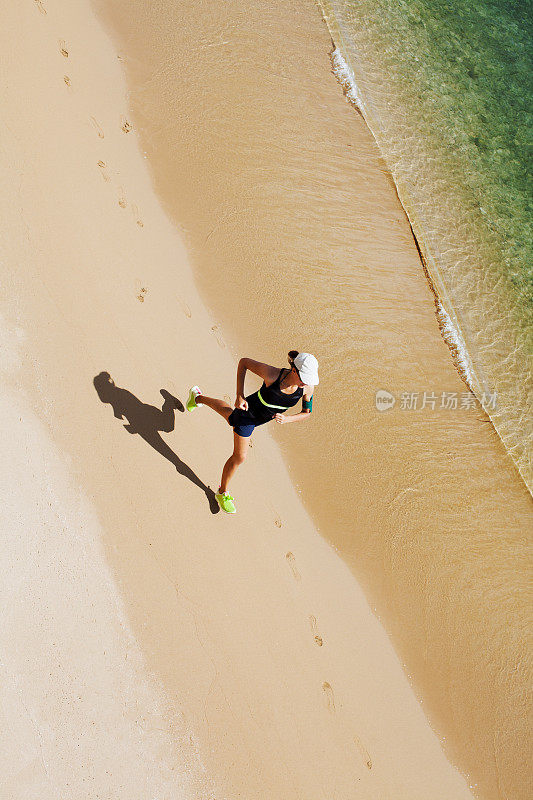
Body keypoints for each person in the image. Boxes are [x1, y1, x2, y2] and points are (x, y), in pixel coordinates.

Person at [186, 351, 319, 513]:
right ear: (294, 370)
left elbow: (307, 413)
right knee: (240, 456)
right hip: (248, 414)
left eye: (309, 379)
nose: (306, 383)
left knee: (229, 416)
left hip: (260, 419)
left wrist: (287, 419)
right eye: (304, 378)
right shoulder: (272, 375)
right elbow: (244, 363)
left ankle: (197, 397)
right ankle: (222, 493)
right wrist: (239, 395)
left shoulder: (307, 389)